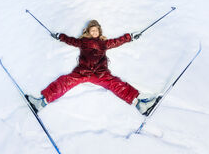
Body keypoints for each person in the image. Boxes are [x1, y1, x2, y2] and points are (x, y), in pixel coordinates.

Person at [25, 20, 157, 115]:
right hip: (82, 71)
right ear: (88, 32)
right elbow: (71, 40)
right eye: (92, 30)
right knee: (64, 81)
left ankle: (140, 104)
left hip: (100, 73)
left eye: (96, 30)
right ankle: (41, 102)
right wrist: (60, 36)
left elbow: (117, 41)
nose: (94, 32)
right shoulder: (82, 42)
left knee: (117, 84)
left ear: (99, 32)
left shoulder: (104, 43)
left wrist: (130, 37)